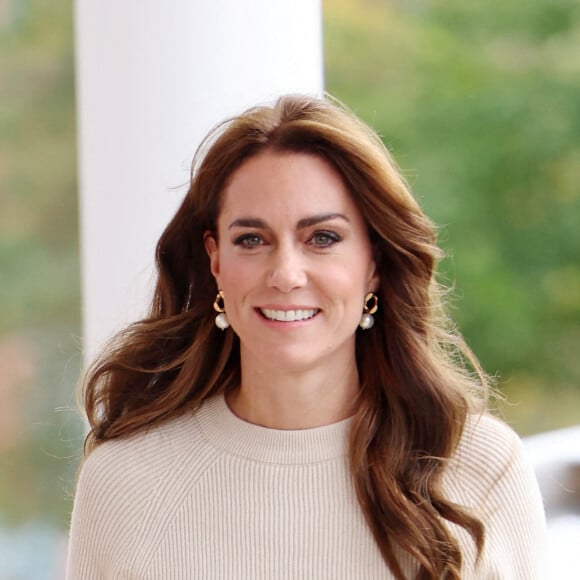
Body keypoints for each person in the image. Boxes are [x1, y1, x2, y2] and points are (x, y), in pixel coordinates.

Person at [66, 94, 546, 579]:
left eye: (322, 238)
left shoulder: (478, 468)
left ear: (374, 262)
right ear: (215, 261)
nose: (286, 274)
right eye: (251, 240)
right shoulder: (125, 481)